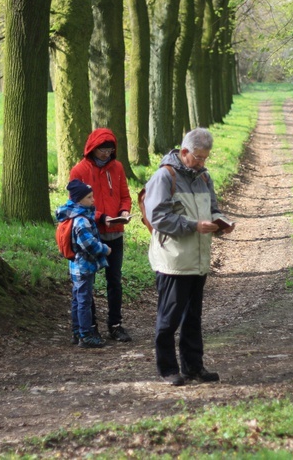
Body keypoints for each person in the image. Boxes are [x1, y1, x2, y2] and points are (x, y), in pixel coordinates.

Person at [143, 128, 236, 386]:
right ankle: (167, 369)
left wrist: (221, 224)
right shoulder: (164, 176)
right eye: (198, 157)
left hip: (198, 259)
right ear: (184, 152)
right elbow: (158, 218)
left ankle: (194, 367)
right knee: (169, 318)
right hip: (173, 261)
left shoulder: (204, 178)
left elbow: (213, 209)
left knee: (193, 318)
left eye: (206, 158)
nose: (202, 163)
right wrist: (194, 225)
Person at [69, 128, 133, 343]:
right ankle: (91, 326)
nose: (106, 153)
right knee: (88, 282)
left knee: (114, 280)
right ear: (92, 148)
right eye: (102, 149)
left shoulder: (118, 168)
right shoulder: (78, 170)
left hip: (115, 233)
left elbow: (125, 195)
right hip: (91, 234)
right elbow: (75, 204)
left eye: (110, 149)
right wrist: (100, 217)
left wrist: (124, 211)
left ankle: (115, 325)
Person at [55, 180, 112, 349]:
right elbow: (89, 245)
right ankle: (85, 335)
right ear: (79, 200)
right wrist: (104, 249)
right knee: (84, 301)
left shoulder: (72, 215)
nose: (93, 200)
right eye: (89, 197)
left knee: (77, 299)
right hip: (83, 265)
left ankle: (76, 331)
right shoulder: (81, 221)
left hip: (75, 265)